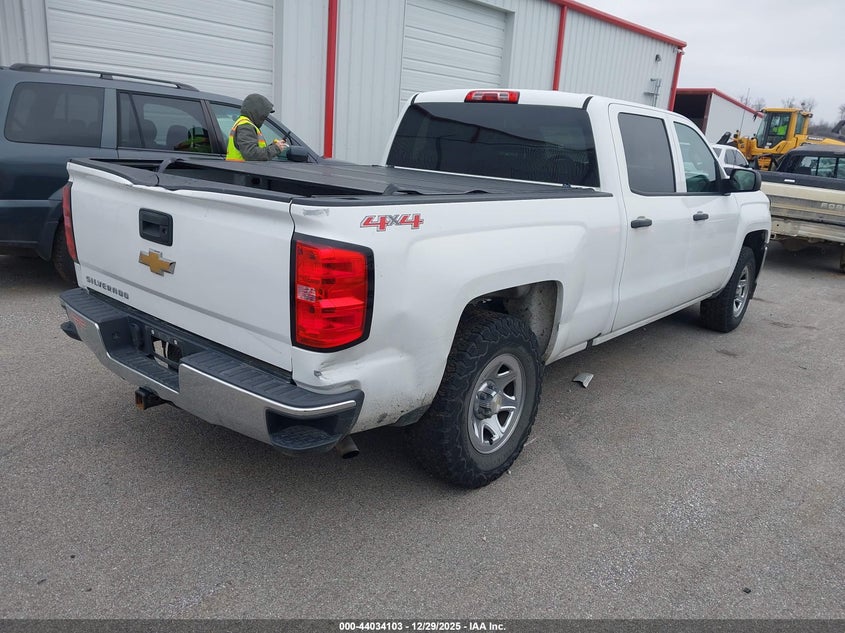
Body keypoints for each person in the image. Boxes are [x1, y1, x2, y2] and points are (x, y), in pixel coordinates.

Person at [226, 93, 287, 161]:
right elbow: (250, 154)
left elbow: (252, 150)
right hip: (243, 170)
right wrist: (275, 148)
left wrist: (273, 146)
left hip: (240, 169)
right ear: (258, 111)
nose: (264, 118)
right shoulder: (245, 126)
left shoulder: (244, 123)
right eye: (264, 115)